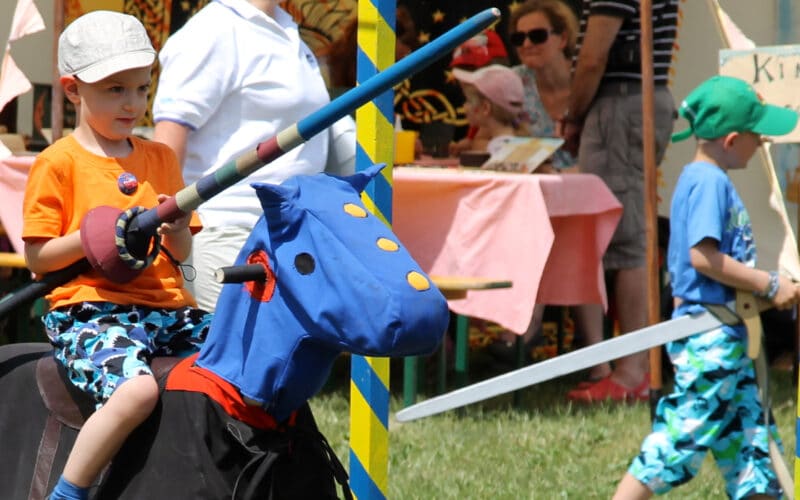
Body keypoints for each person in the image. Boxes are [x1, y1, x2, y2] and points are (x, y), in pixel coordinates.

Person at [22, 11, 212, 500]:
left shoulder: (160, 159)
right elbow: (38, 258)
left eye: (141, 89)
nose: (133, 103)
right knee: (138, 390)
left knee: (244, 357)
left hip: (169, 309)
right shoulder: (58, 162)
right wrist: (94, 234)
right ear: (72, 90)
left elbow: (182, 247)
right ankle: (70, 490)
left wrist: (175, 230)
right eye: (115, 90)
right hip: (91, 311)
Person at [613, 75, 800, 499]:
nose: (763, 144)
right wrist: (769, 285)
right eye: (759, 137)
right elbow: (703, 258)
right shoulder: (708, 182)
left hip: (728, 334)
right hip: (709, 338)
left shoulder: (706, 178)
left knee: (752, 446)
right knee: (679, 438)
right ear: (732, 140)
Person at [153, 0, 336, 311]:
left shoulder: (286, 27)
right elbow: (167, 147)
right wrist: (164, 245)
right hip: (228, 234)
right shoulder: (212, 30)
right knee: (226, 357)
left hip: (288, 237)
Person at [559, 0, 680, 402]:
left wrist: (574, 114)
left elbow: (594, 56)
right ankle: (631, 367)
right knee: (629, 231)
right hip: (635, 99)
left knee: (626, 238)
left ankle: (632, 373)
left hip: (620, 101)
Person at [448, 29, 510, 156]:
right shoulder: (479, 109)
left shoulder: (502, 102)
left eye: (474, 71)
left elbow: (481, 144)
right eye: (463, 70)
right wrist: (469, 142)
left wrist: (473, 144)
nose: (466, 82)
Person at [451, 64, 529, 165]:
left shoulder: (498, 150)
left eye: (469, 101)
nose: (464, 106)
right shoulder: (509, 144)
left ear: (485, 108)